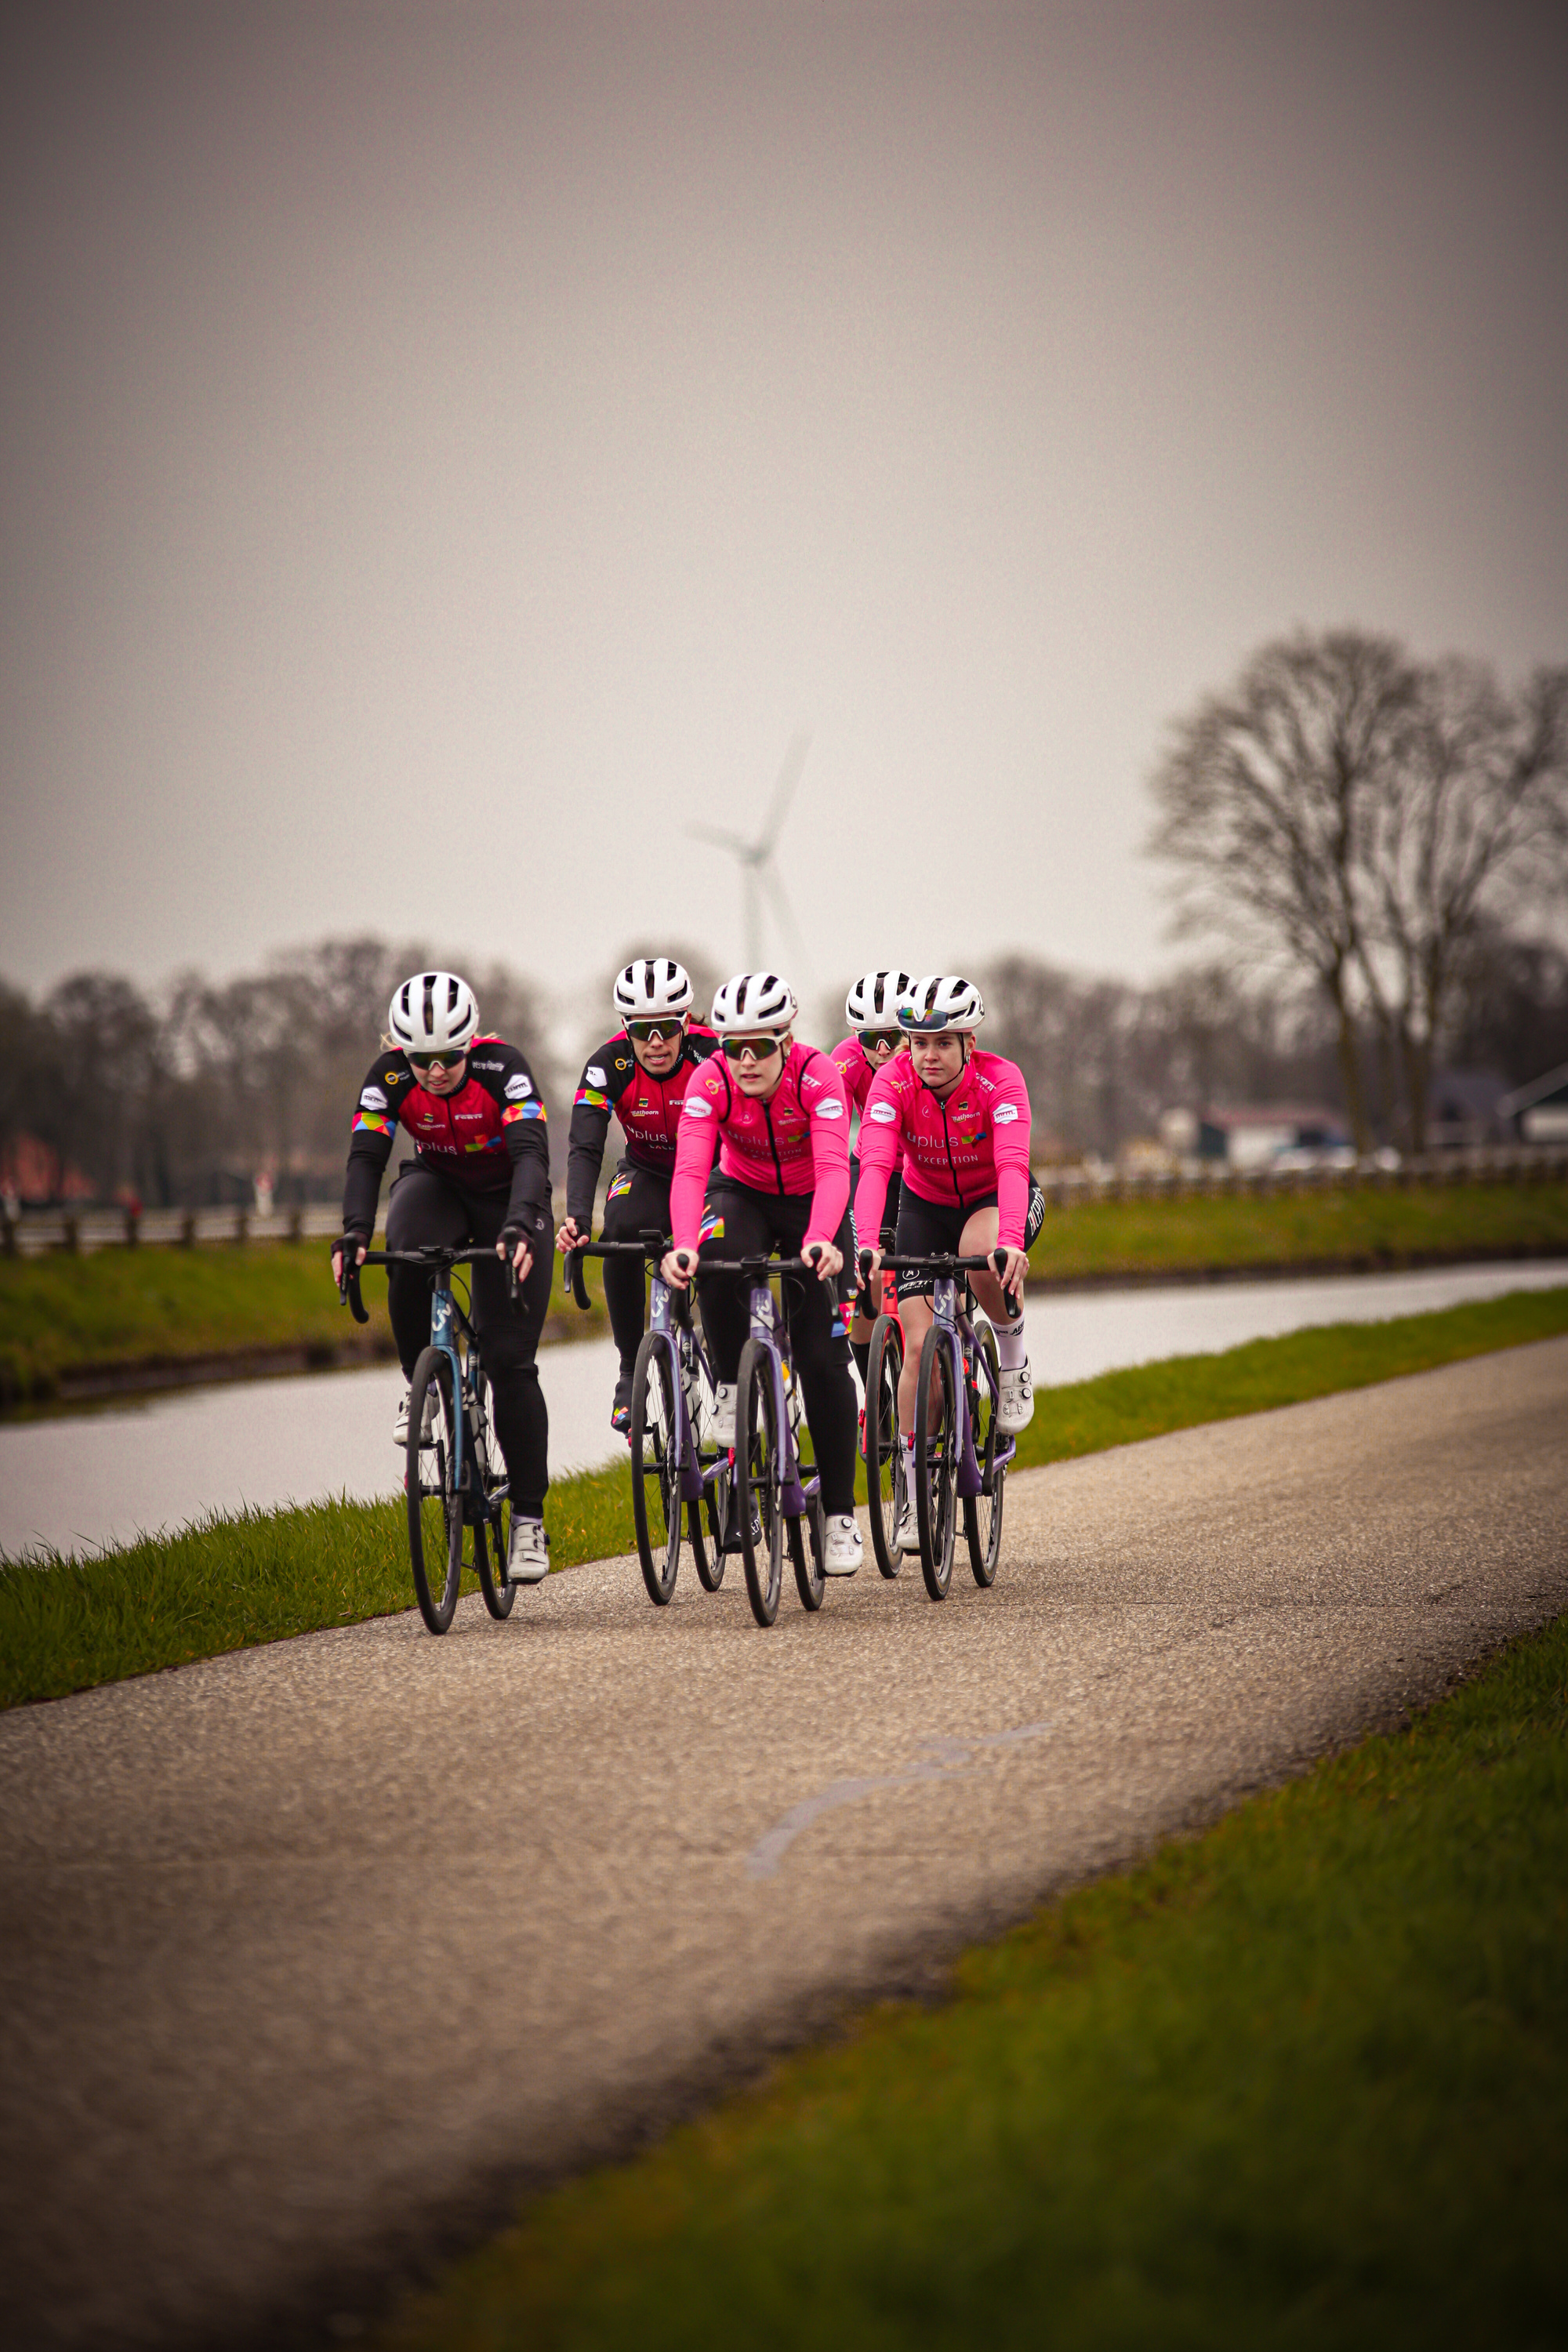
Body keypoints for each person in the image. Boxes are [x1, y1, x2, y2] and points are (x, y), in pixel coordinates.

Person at [332, 970, 555, 1584]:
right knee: (404, 1246)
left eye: (449, 1057)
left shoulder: (502, 1069)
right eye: (421, 1058)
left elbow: (533, 1154)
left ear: (471, 1042)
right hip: (440, 1187)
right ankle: (421, 1381)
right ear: (401, 1051)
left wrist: (517, 1227)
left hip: (512, 1195)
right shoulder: (389, 1079)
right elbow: (365, 1158)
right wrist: (352, 1232)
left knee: (510, 1361)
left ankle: (529, 1521)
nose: (434, 1071)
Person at [659, 971, 863, 1576]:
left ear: (786, 1038)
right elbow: (691, 1171)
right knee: (716, 1264)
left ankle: (840, 1517)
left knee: (825, 1362)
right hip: (741, 1192)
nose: (745, 1061)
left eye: (760, 1047)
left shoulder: (819, 1076)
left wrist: (824, 1239)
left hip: (813, 1203)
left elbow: (833, 1169)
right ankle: (729, 1387)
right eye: (733, 1047)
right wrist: (683, 1244)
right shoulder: (710, 1079)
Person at [854, 974, 1045, 1553]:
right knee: (917, 1349)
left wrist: (1011, 1238)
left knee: (982, 1256)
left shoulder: (1001, 1080)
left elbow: (1013, 1166)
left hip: (995, 1200)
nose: (928, 1056)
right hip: (926, 1203)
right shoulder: (893, 1084)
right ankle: (911, 1491)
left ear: (968, 1043)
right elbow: (876, 1167)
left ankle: (1011, 1358)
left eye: (942, 1044)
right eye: (917, 1044)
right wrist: (866, 1242)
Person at [557, 959, 718, 1433]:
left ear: (685, 1021)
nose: (655, 1042)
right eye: (641, 1030)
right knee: (621, 1228)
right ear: (624, 1027)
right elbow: (584, 1146)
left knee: (723, 1239)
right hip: (646, 1170)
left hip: (713, 1173)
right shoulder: (606, 1066)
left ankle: (725, 1357)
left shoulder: (712, 1054)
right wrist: (578, 1220)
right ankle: (630, 1369)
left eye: (667, 1028)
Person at [829, 968, 912, 1396]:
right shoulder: (844, 1059)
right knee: (866, 1277)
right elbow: (831, 1131)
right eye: (869, 1039)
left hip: (923, 1167)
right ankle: (876, 1391)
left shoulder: (933, 1054)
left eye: (894, 1037)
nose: (881, 1050)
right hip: (872, 1165)